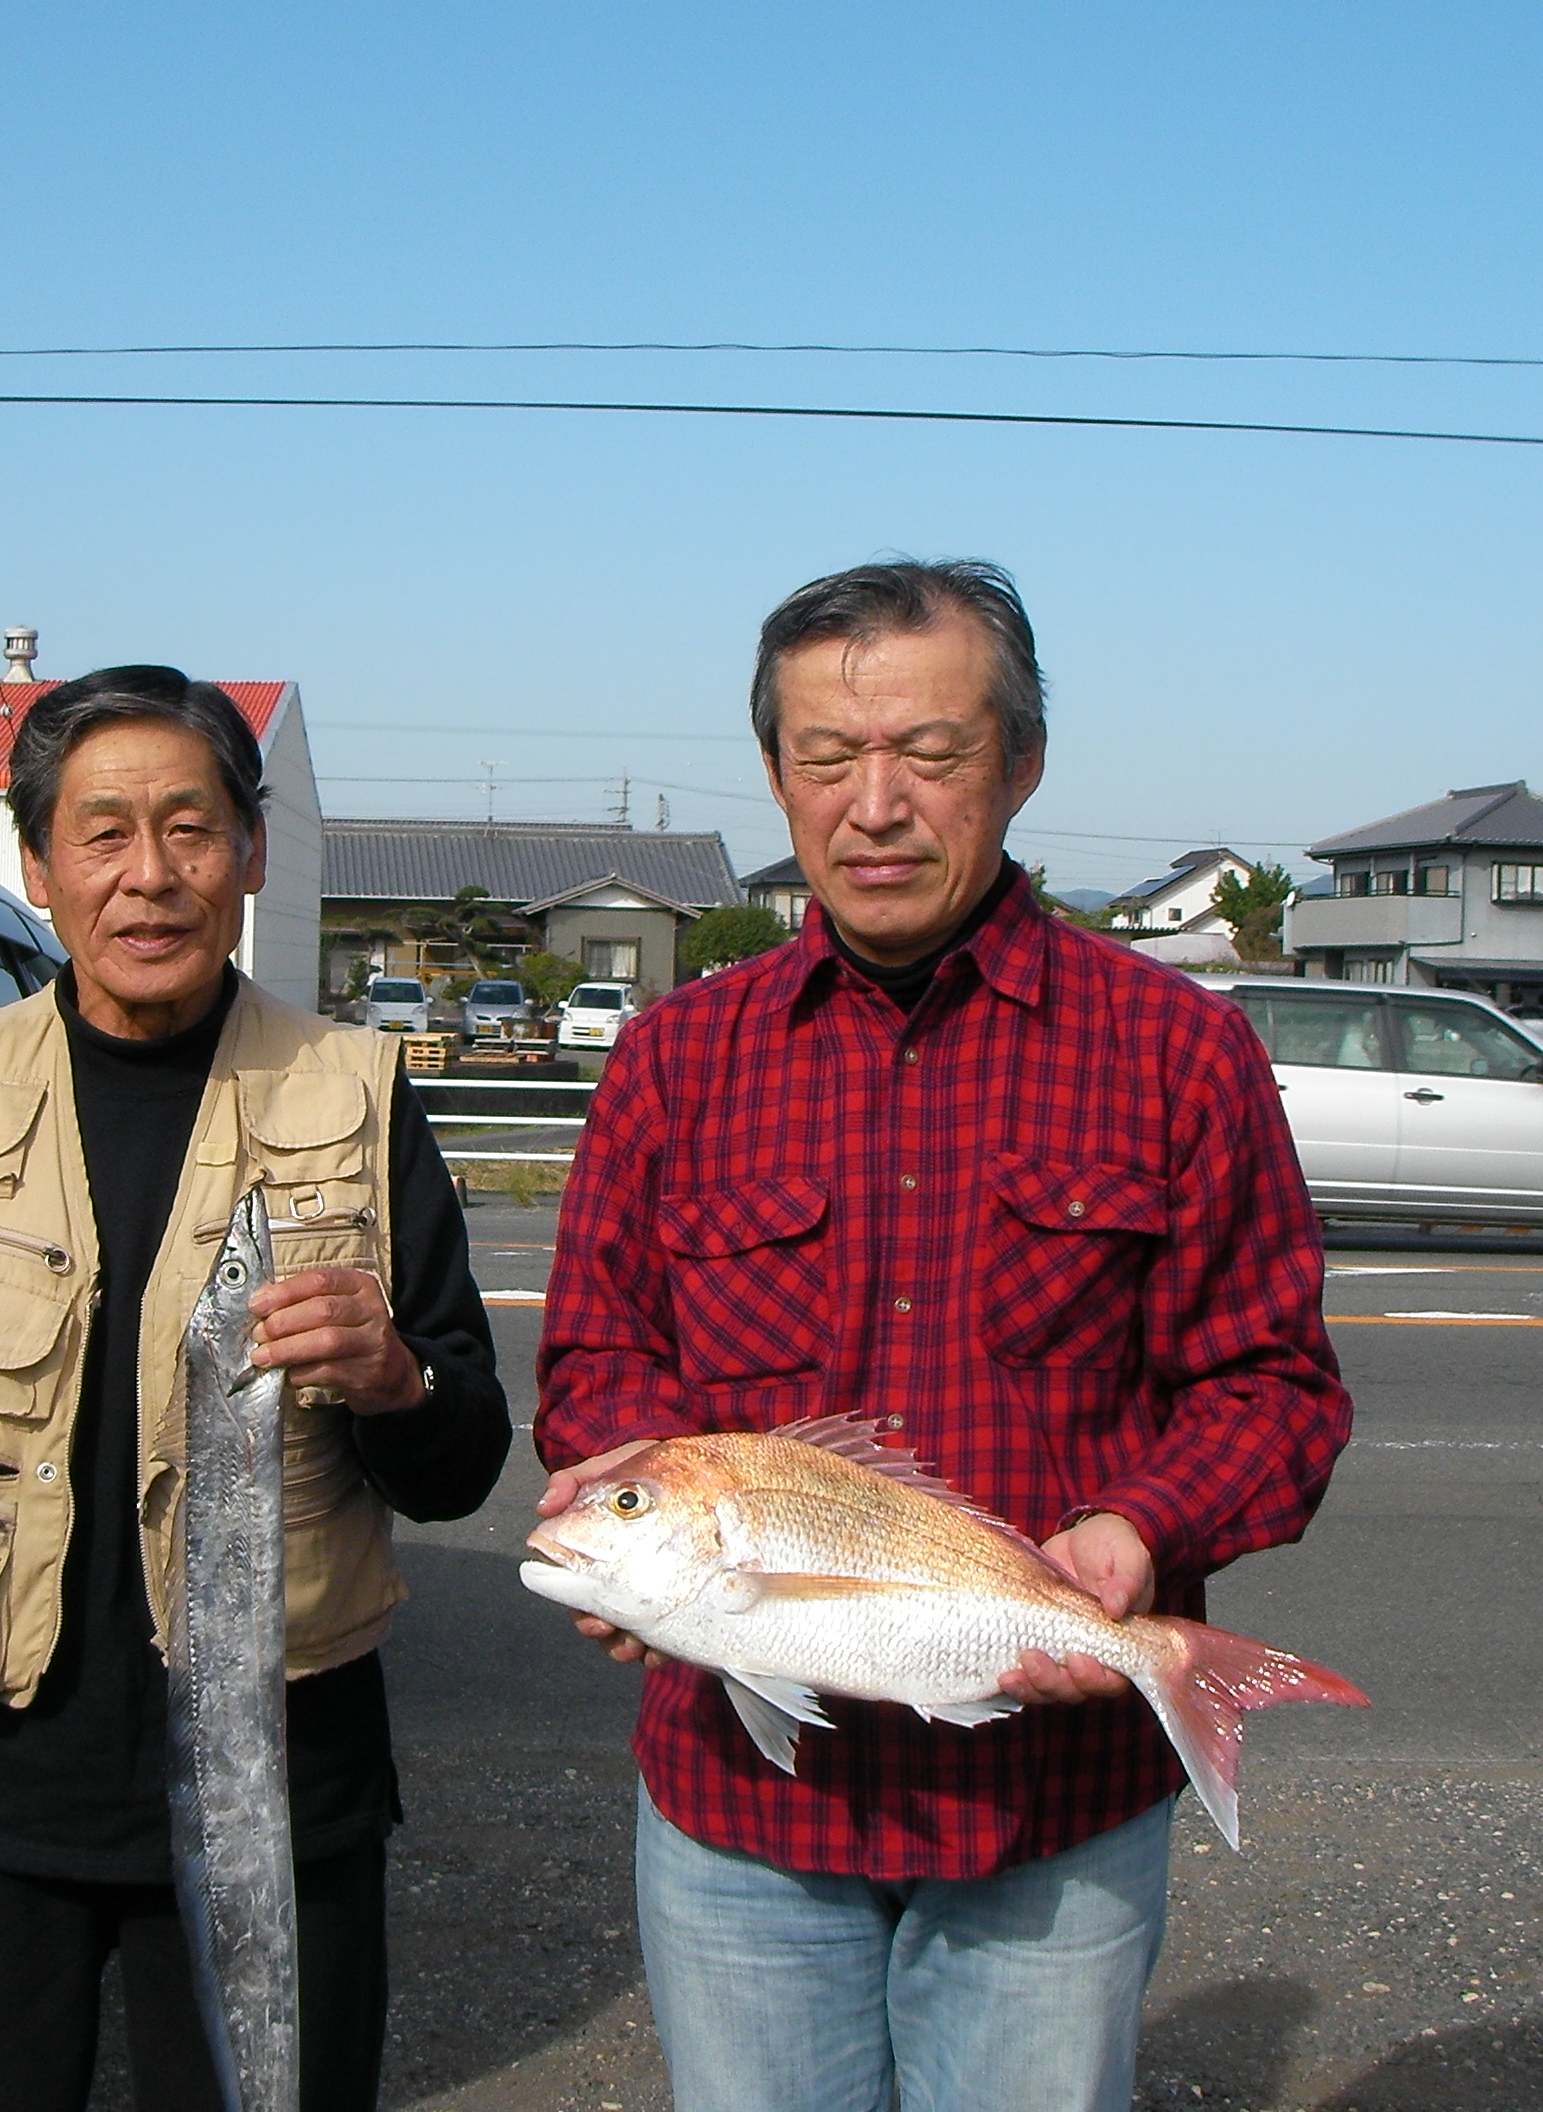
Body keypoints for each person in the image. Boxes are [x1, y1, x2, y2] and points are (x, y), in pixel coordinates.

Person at [532, 562, 1351, 2112]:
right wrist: (628, 1506)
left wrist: (1136, 1532)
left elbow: (1272, 1387)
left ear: (1021, 763)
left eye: (931, 752)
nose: (876, 805)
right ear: (777, 774)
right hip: (742, 1810)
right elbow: (596, 1360)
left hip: (1054, 1805)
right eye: (827, 758)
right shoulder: (674, 1059)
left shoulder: (1177, 1049)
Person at [0, 667, 509, 2112]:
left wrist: (396, 1376)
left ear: (251, 853)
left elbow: (463, 1462)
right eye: (105, 833)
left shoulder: (359, 1097)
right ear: (39, 864)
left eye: (191, 829)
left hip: (281, 1800)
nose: (151, 876)